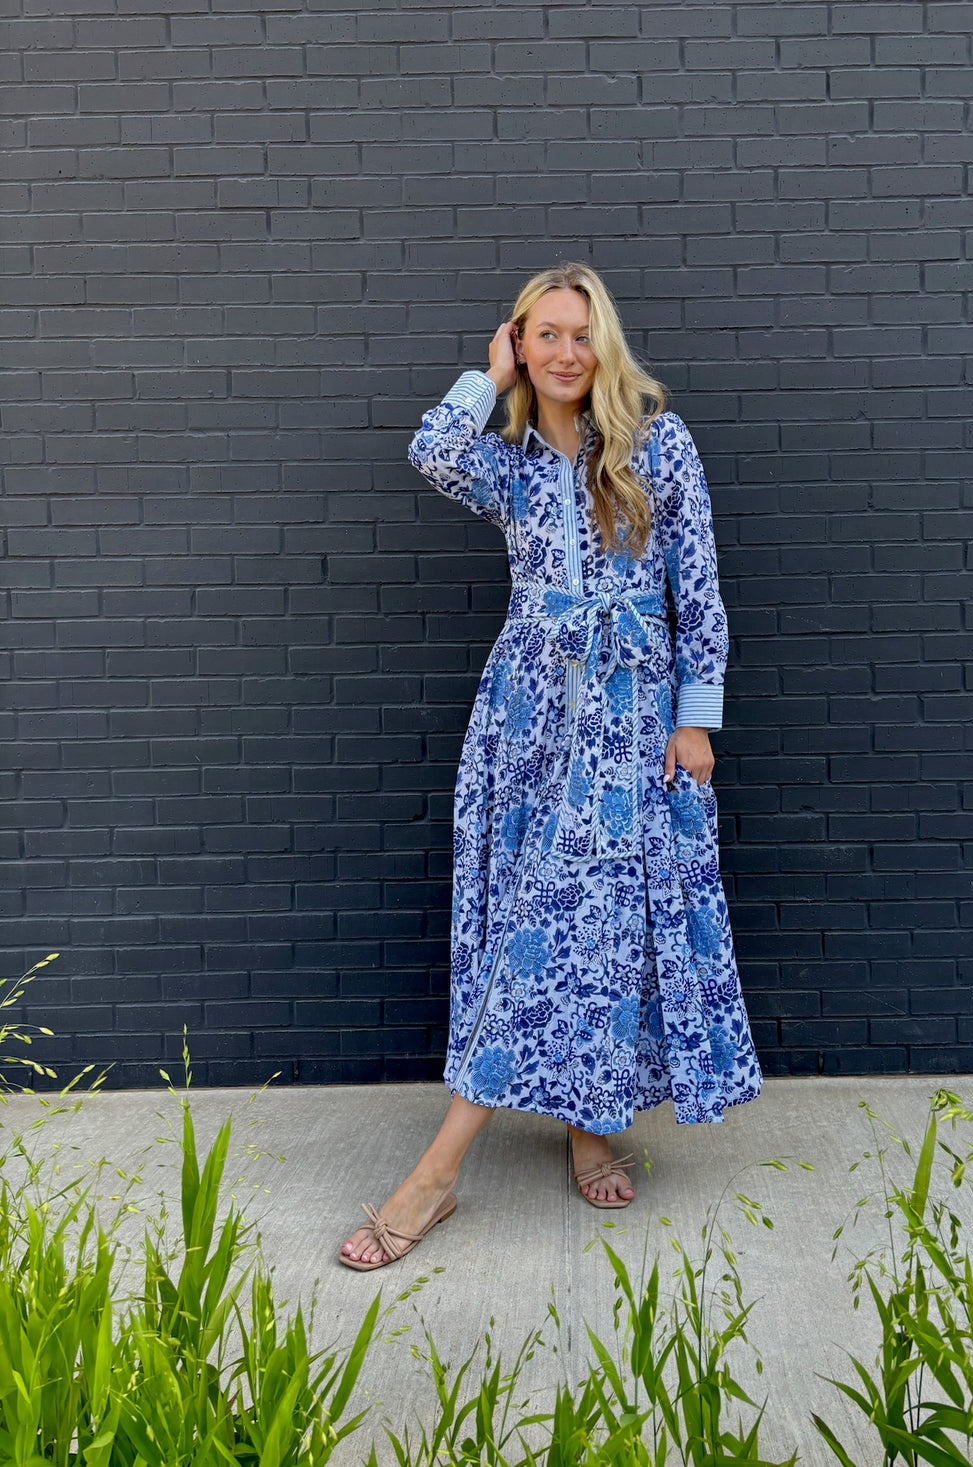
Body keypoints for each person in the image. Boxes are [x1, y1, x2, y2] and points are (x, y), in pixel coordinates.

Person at [339, 262, 761, 1271]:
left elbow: (695, 590)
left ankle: (482, 1157)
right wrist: (484, 380)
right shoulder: (509, 461)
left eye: (581, 334)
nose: (565, 352)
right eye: (544, 335)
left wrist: (694, 720)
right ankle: (570, 1131)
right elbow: (428, 450)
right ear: (520, 343)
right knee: (531, 923)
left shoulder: (659, 443)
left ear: (602, 344)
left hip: (628, 719)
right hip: (523, 722)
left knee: (592, 924)